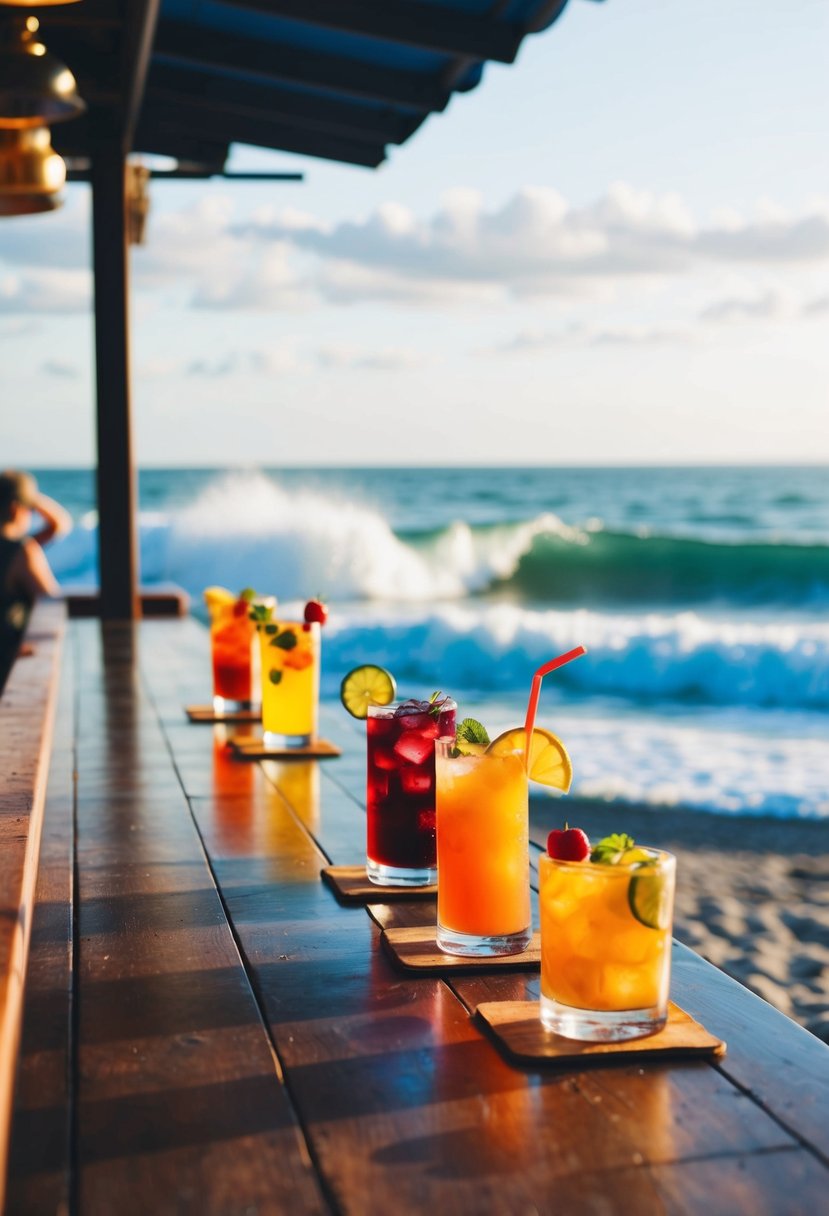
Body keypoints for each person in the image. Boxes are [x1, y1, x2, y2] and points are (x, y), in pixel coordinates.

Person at [0, 470, 71, 691]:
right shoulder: (20, 551)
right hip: (8, 666)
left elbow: (57, 526)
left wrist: (19, 496)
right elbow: (52, 604)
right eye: (29, 509)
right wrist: (29, 497)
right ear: (15, 509)